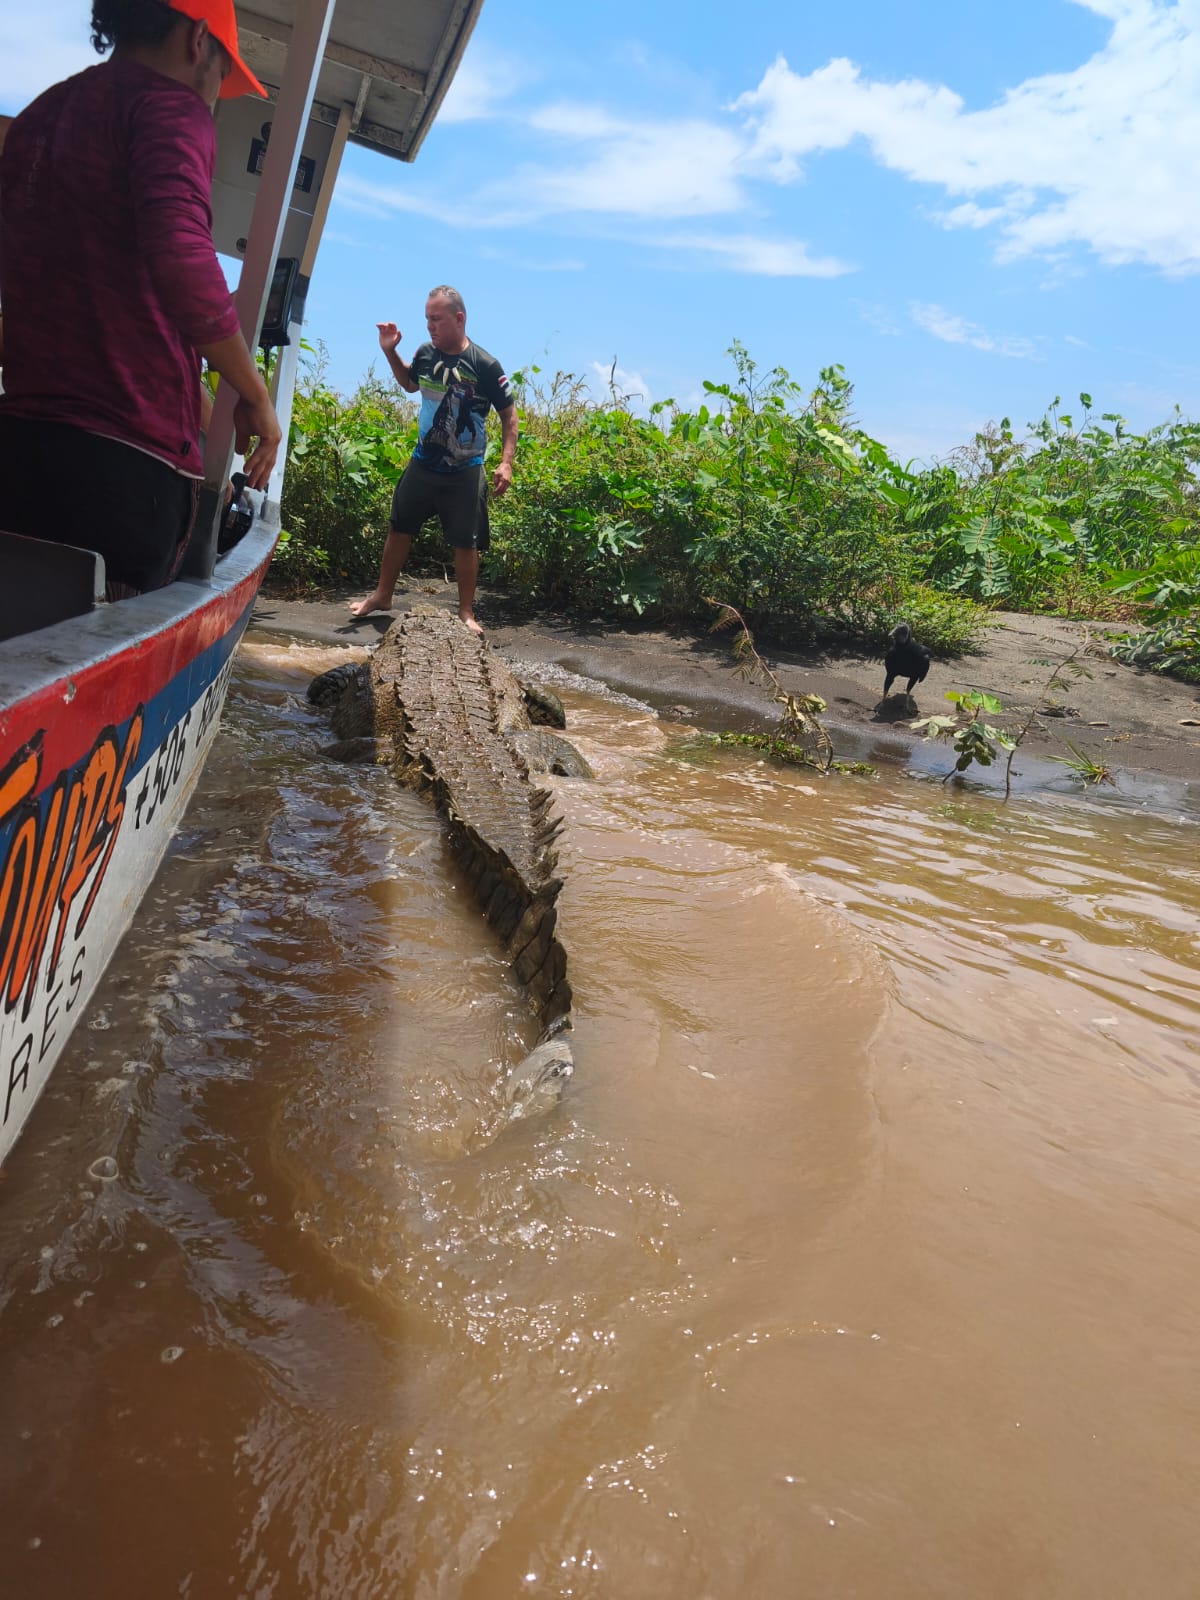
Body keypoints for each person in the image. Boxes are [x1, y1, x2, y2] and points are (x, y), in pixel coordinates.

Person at [0, 0, 281, 599]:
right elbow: (183, 259)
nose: (213, 94)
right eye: (220, 76)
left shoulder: (39, 119)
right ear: (198, 40)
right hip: (122, 474)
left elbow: (115, 312)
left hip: (18, 444)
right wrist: (254, 397)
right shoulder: (170, 108)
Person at [350, 286, 518, 636]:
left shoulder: (485, 365)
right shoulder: (426, 353)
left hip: (466, 469)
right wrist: (390, 353)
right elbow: (410, 384)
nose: (430, 326)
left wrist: (506, 463)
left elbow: (509, 416)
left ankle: (466, 613)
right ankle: (382, 596)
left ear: (459, 319)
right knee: (399, 526)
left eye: (436, 319)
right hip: (423, 461)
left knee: (465, 541)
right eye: (427, 319)